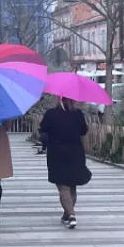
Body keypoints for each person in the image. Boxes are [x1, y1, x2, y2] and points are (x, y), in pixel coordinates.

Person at [39, 97, 91, 229]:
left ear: (59, 99)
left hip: (57, 154)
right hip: (76, 154)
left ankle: (71, 214)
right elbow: (84, 131)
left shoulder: (51, 114)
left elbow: (43, 131)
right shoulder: (78, 114)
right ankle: (66, 215)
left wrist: (46, 142)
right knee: (72, 186)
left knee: (63, 187)